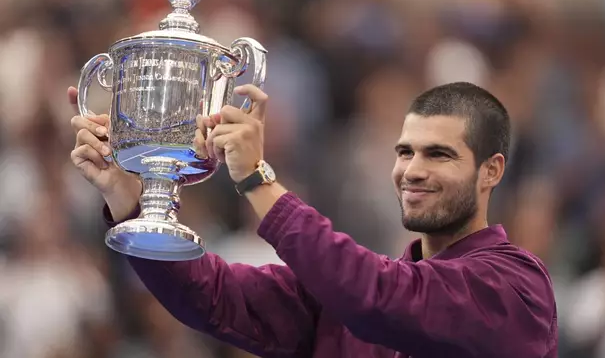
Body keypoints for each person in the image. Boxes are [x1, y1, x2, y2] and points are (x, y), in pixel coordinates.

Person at [68, 81, 557, 358]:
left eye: (440, 155)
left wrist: (259, 181)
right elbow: (211, 296)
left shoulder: (516, 289)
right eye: (405, 151)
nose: (413, 170)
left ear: (491, 171)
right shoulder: (346, 302)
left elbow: (379, 298)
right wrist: (131, 199)